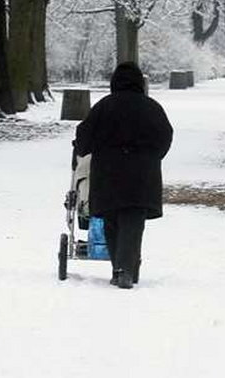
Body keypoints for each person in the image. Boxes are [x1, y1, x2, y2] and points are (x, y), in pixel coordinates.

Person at [73, 61, 173, 289]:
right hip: (142, 173)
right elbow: (165, 137)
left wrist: (84, 148)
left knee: (111, 219)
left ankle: (120, 268)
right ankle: (127, 268)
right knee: (133, 221)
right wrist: (152, 156)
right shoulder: (152, 108)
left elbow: (84, 136)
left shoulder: (104, 106)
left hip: (108, 172)